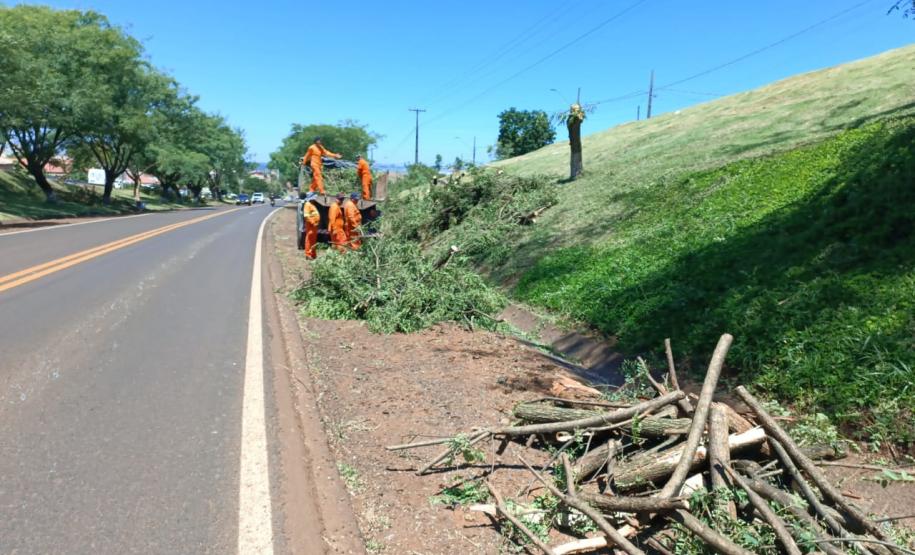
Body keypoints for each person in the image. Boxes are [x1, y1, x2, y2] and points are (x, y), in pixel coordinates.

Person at [302, 192, 321, 259]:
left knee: (313, 240)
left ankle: (313, 254)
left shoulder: (312, 204)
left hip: (314, 226)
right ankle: (308, 254)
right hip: (311, 226)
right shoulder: (307, 204)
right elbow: (306, 216)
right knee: (309, 240)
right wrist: (313, 222)